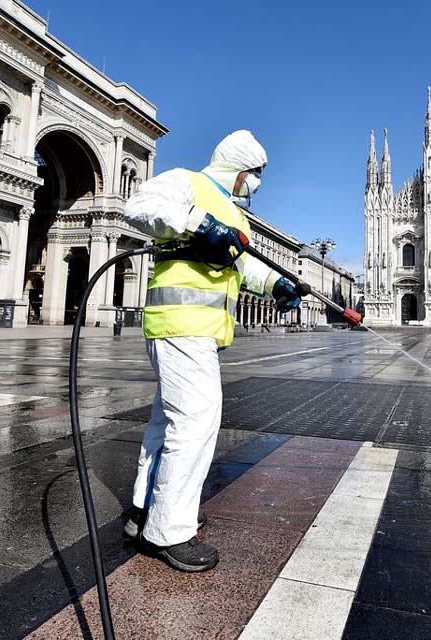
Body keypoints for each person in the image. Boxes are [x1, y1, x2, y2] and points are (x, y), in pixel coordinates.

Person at [121, 130, 301, 572]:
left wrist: (275, 283)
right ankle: (170, 531)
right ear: (238, 168)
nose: (256, 183)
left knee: (167, 422)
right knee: (196, 421)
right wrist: (198, 223)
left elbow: (241, 264)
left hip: (197, 330)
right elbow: (140, 207)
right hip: (181, 325)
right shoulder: (186, 182)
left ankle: (146, 507)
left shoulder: (230, 211)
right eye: (255, 174)